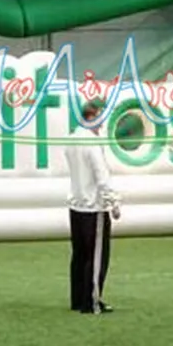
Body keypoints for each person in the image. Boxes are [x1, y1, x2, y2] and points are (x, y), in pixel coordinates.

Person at [64, 98, 122, 315]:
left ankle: (78, 298)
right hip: (93, 208)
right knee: (96, 256)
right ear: (93, 116)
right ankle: (91, 301)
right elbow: (101, 176)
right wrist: (113, 202)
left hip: (76, 206)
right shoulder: (92, 143)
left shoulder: (71, 140)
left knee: (79, 255)